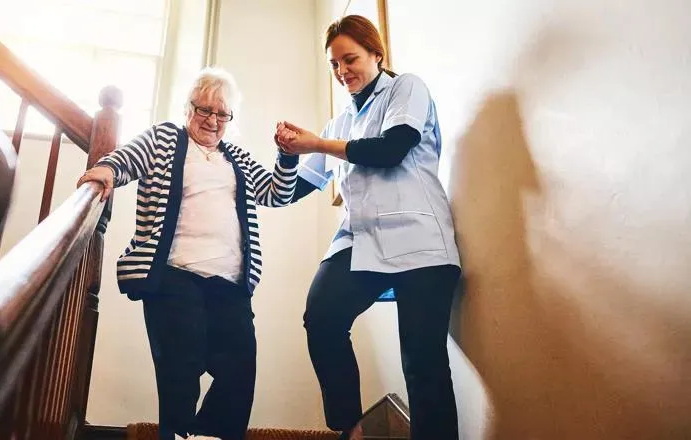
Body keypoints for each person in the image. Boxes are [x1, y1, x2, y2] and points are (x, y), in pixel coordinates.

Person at [78, 67, 299, 440]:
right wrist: (106, 170)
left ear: (230, 118)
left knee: (240, 368)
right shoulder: (166, 138)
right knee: (181, 367)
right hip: (174, 275)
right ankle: (179, 434)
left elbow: (275, 193)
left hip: (229, 281)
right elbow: (128, 157)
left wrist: (288, 156)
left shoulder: (238, 157)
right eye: (204, 109)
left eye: (222, 113)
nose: (212, 120)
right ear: (188, 108)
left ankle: (207, 435)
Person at [274, 15, 461, 440]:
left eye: (350, 59)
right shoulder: (340, 123)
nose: (342, 72)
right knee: (321, 317)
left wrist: (315, 144)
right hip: (360, 240)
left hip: (421, 241)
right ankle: (350, 429)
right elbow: (289, 191)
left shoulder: (406, 88)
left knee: (422, 360)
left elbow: (392, 149)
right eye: (334, 65)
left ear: (377, 53)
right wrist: (286, 154)